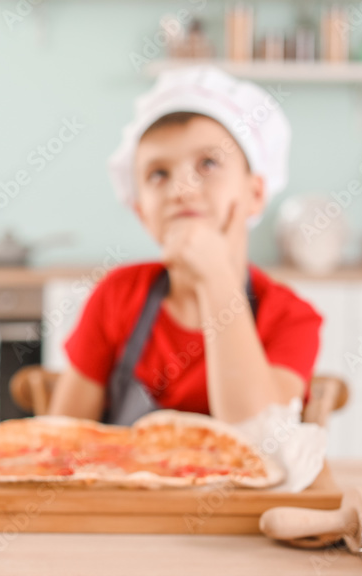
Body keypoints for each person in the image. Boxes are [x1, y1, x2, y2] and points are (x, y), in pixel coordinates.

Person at [49, 66, 322, 425]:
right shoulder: (116, 296)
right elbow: (63, 440)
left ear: (255, 194)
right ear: (141, 210)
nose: (182, 189)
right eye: (158, 174)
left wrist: (215, 277)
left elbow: (262, 443)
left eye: (208, 163)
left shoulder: (290, 318)